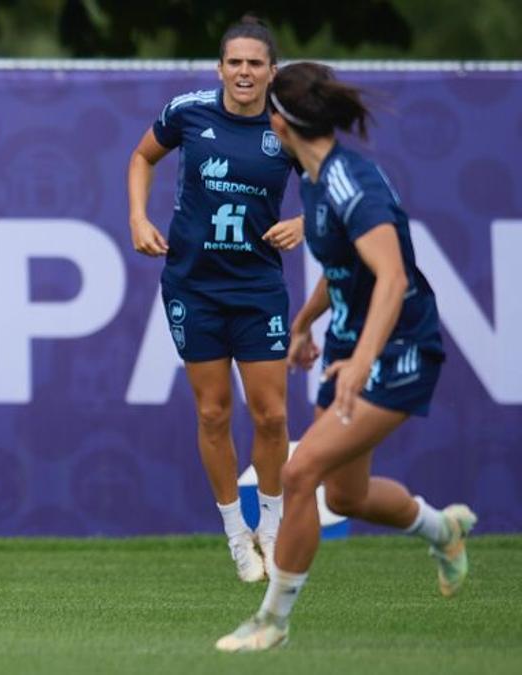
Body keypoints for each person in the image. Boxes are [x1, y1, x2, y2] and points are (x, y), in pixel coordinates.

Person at [215, 62, 476, 652]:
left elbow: (390, 277)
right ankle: (445, 531)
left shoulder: (349, 183)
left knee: (301, 472)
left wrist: (361, 361)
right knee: (346, 497)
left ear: (279, 122)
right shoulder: (311, 179)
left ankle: (271, 623)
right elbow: (344, 271)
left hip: (399, 350)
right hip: (349, 345)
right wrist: (307, 322)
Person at [127, 16, 303, 582]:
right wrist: (137, 217)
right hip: (193, 283)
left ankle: (270, 527)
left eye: (256, 63)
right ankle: (235, 533)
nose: (245, 72)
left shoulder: (289, 123)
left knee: (272, 415)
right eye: (235, 62)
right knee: (212, 411)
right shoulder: (189, 112)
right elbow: (141, 157)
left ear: (272, 70)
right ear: (220, 68)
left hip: (257, 287)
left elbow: (333, 186)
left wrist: (304, 220)